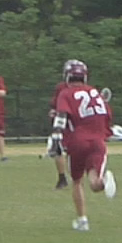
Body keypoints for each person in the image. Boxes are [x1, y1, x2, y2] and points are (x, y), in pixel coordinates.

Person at [52, 60, 116, 231]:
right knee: (95, 184)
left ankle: (82, 220)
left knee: (77, 181)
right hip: (97, 141)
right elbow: (107, 116)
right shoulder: (95, 92)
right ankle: (103, 181)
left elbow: (62, 116)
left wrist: (57, 135)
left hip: (77, 141)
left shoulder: (66, 93)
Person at [45, 61, 79, 190]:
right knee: (58, 148)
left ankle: (78, 175)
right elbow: (55, 104)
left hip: (78, 123)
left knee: (76, 150)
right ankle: (62, 177)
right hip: (63, 122)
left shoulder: (84, 89)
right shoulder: (61, 87)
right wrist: (54, 111)